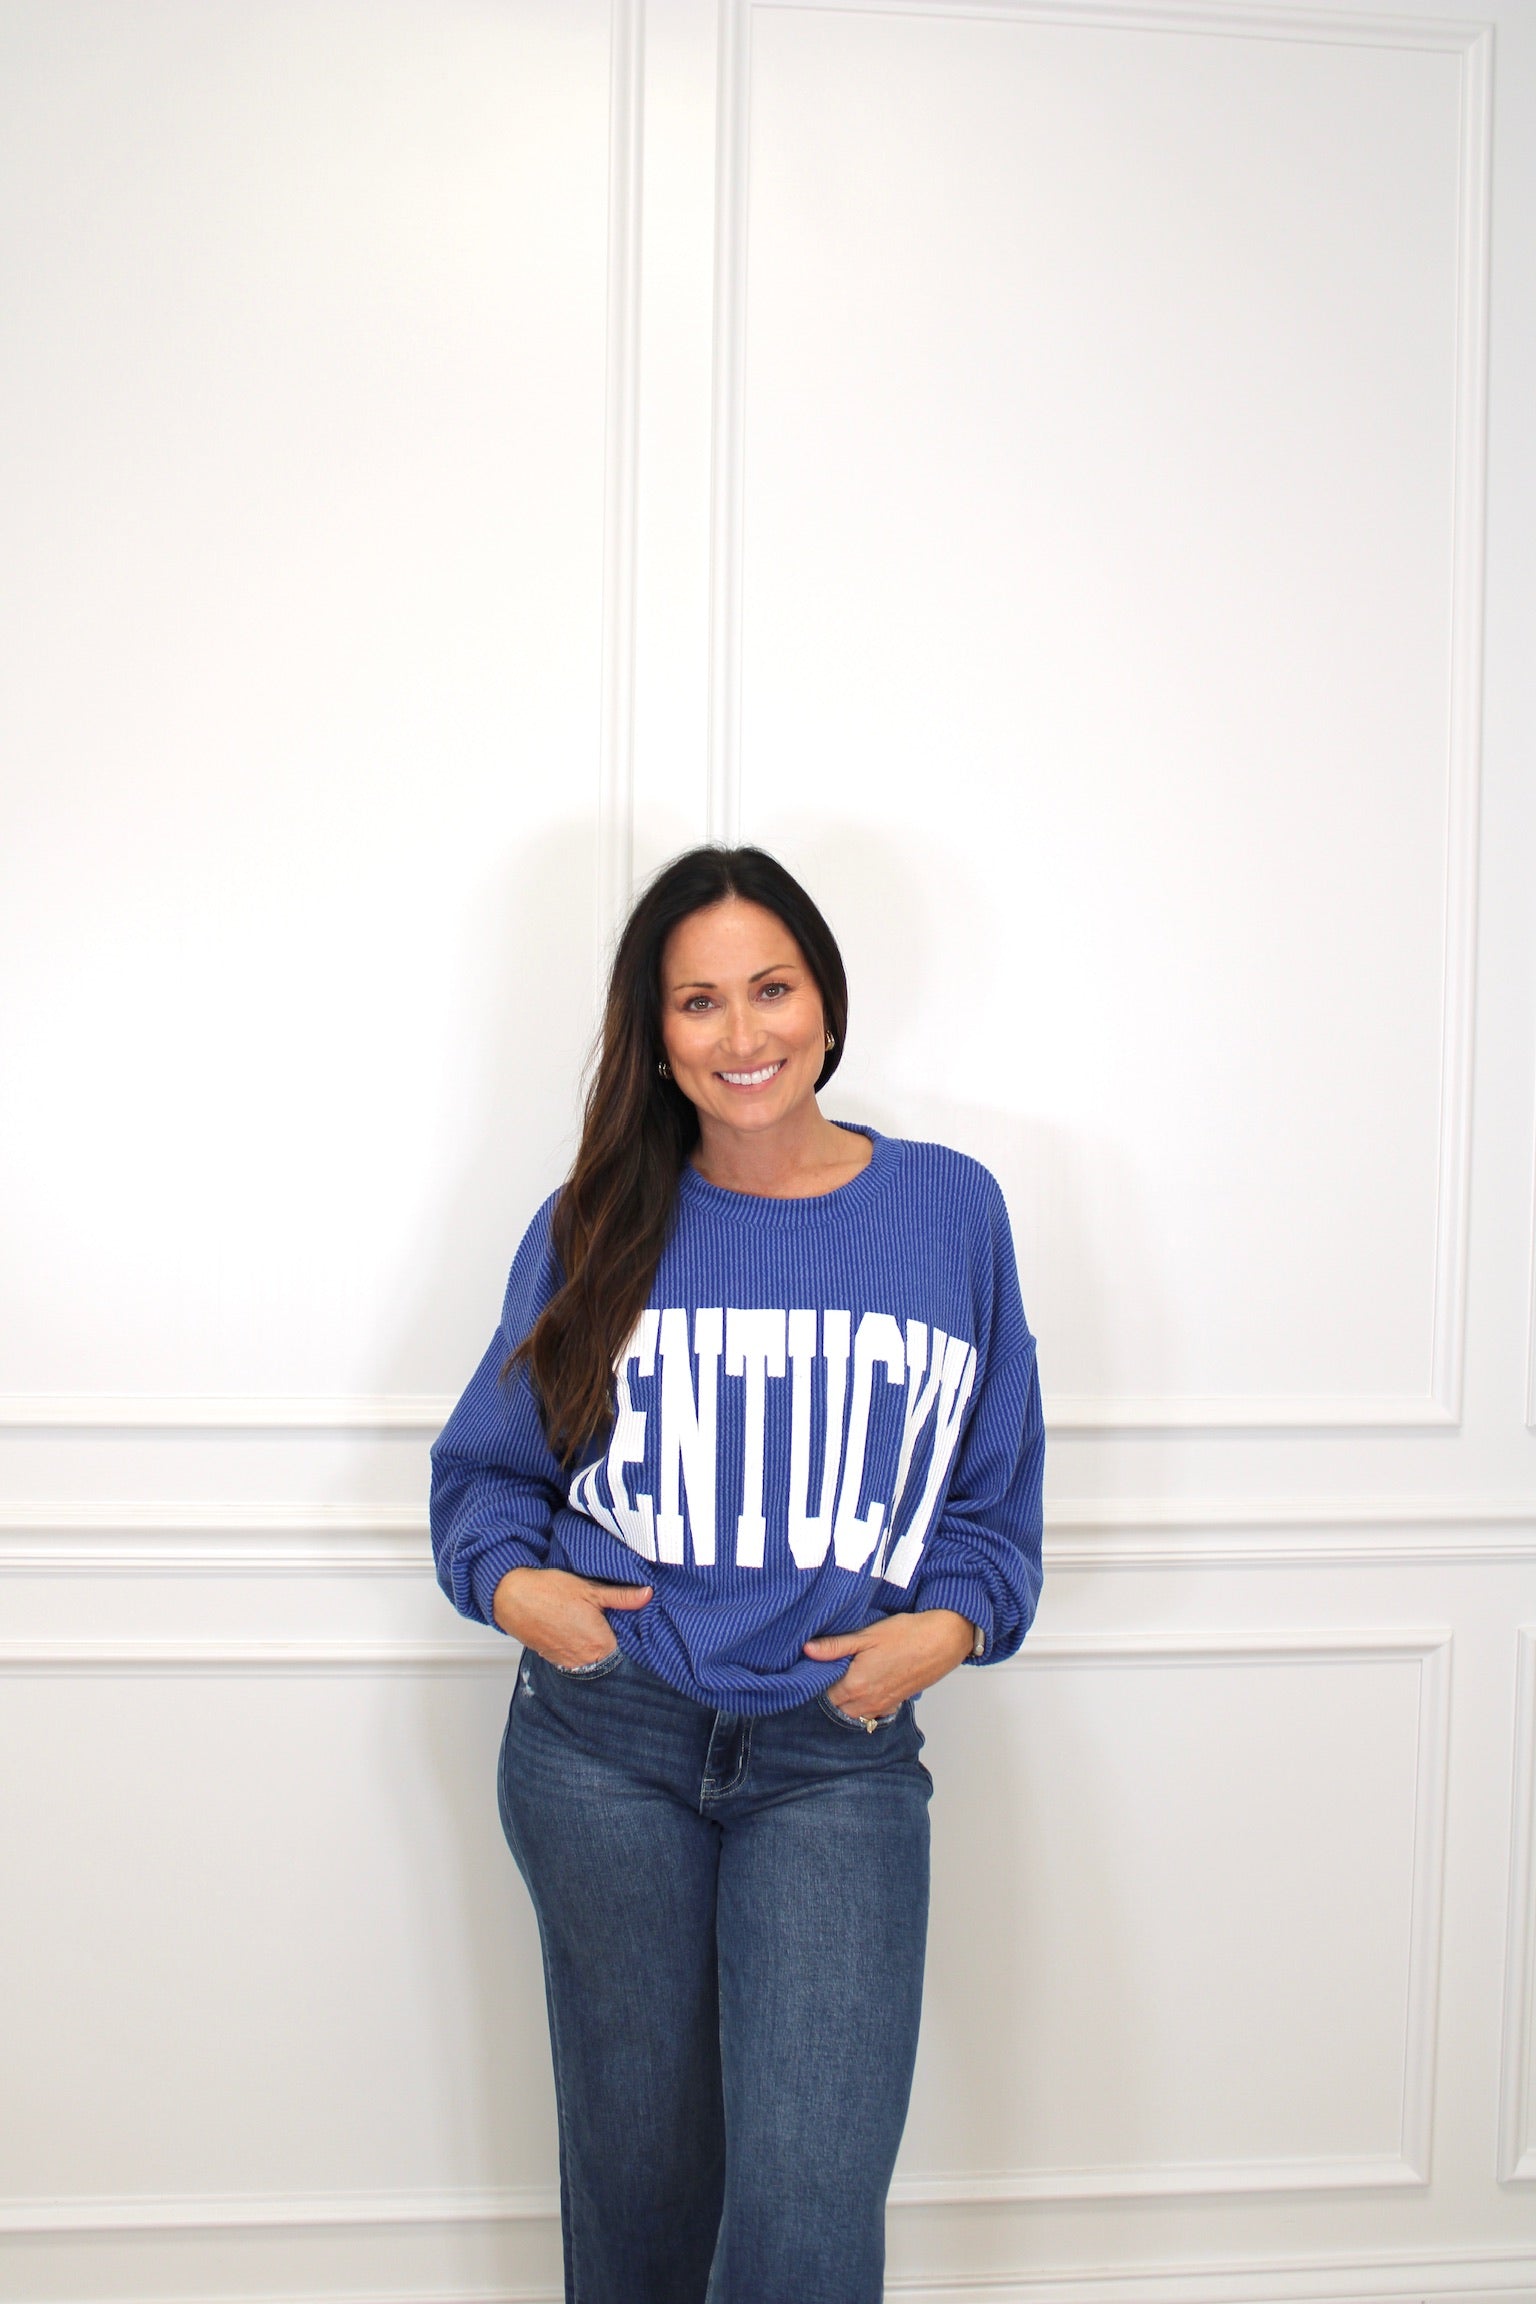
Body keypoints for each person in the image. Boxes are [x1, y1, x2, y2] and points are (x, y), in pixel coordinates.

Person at [429, 845, 1044, 2304]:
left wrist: (951, 1625)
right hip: (604, 1746)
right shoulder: (593, 1221)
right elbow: (487, 1476)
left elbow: (992, 1490)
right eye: (699, 1002)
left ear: (826, 1000)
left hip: (837, 1755)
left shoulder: (951, 1210)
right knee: (640, 2197)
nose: (743, 1032)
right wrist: (522, 1594)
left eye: (772, 988)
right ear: (656, 1036)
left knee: (809, 2211)